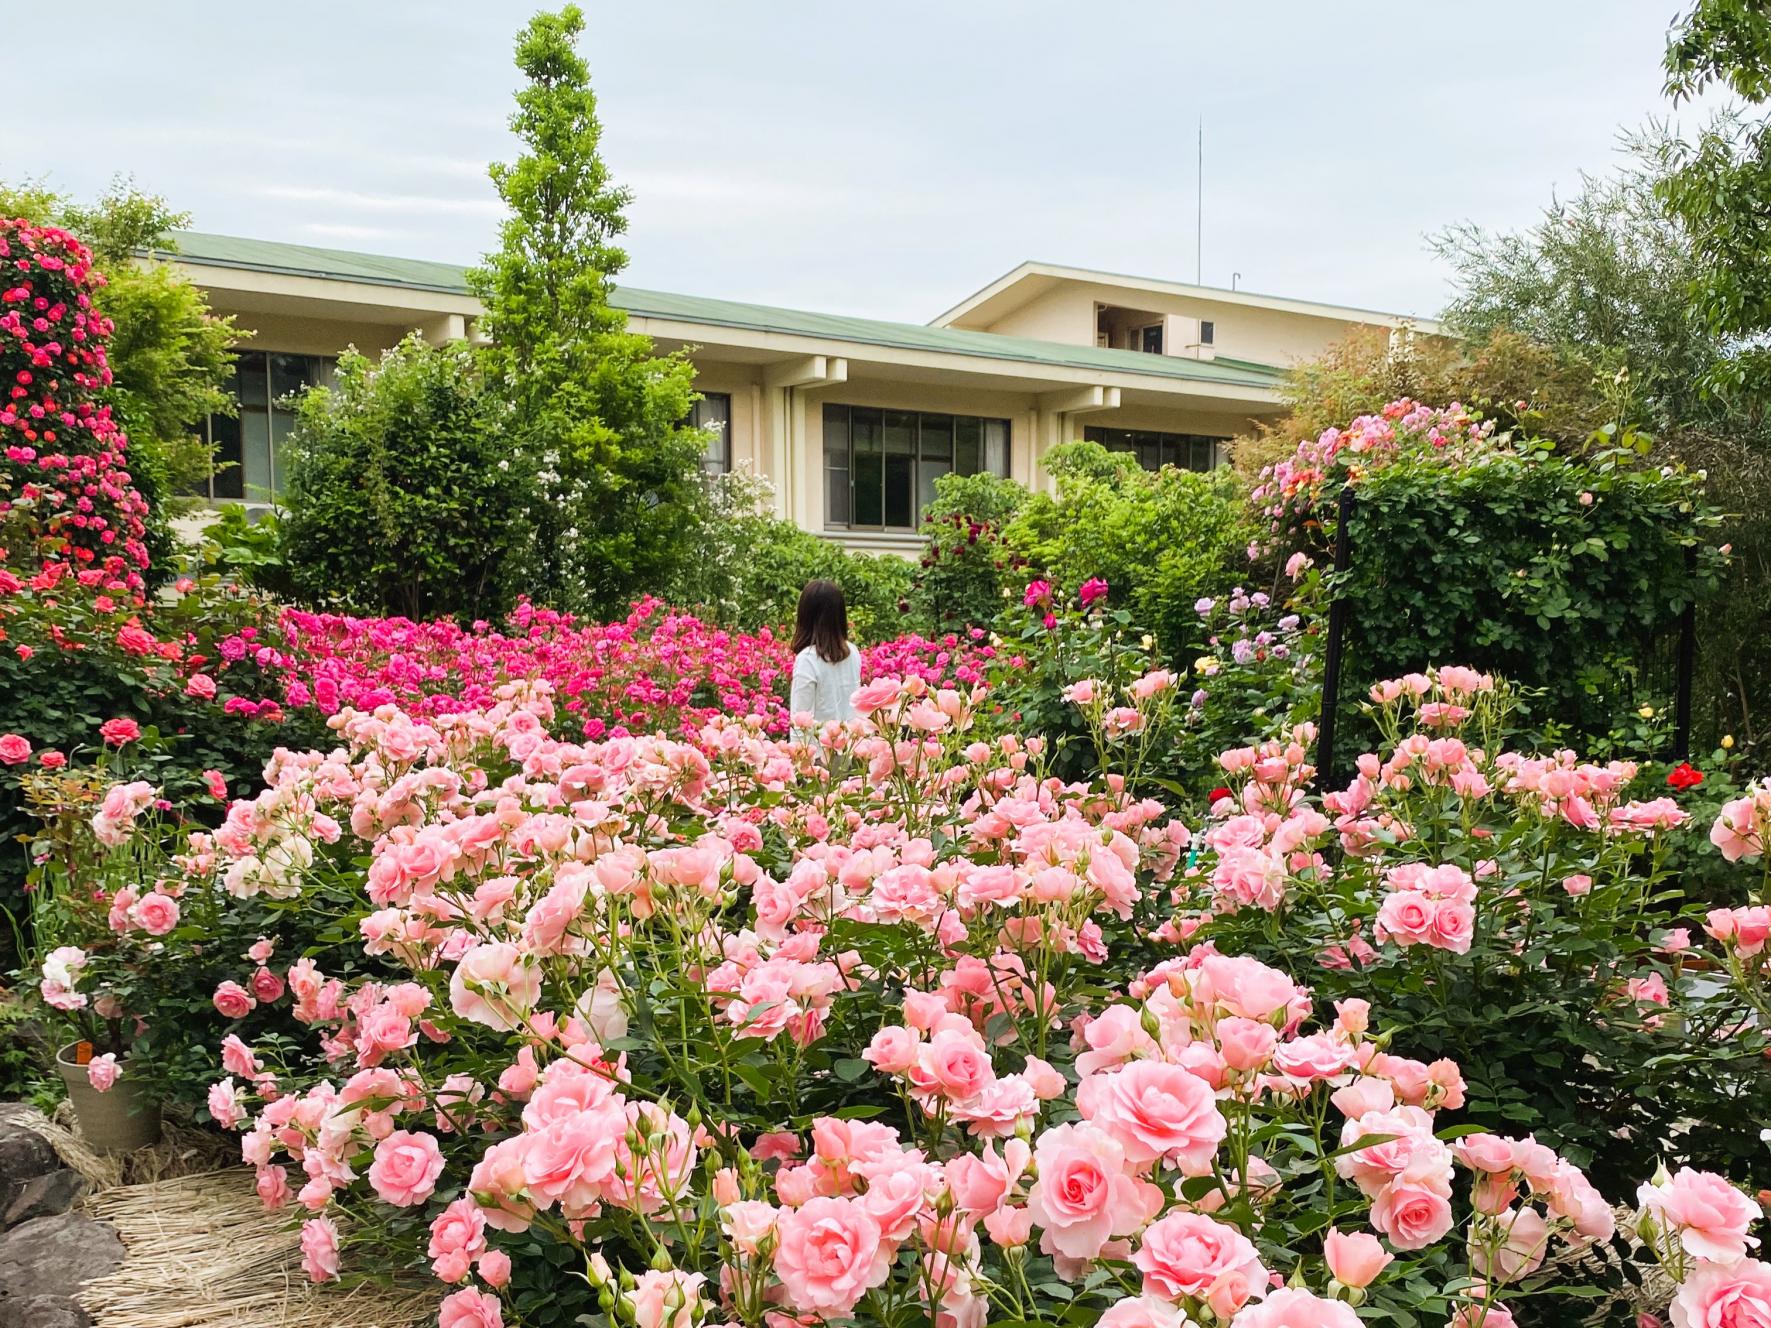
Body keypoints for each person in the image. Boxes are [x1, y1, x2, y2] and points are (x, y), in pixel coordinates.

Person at [789, 579, 860, 742]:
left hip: (817, 759)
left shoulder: (807, 660)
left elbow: (800, 722)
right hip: (848, 752)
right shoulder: (852, 653)